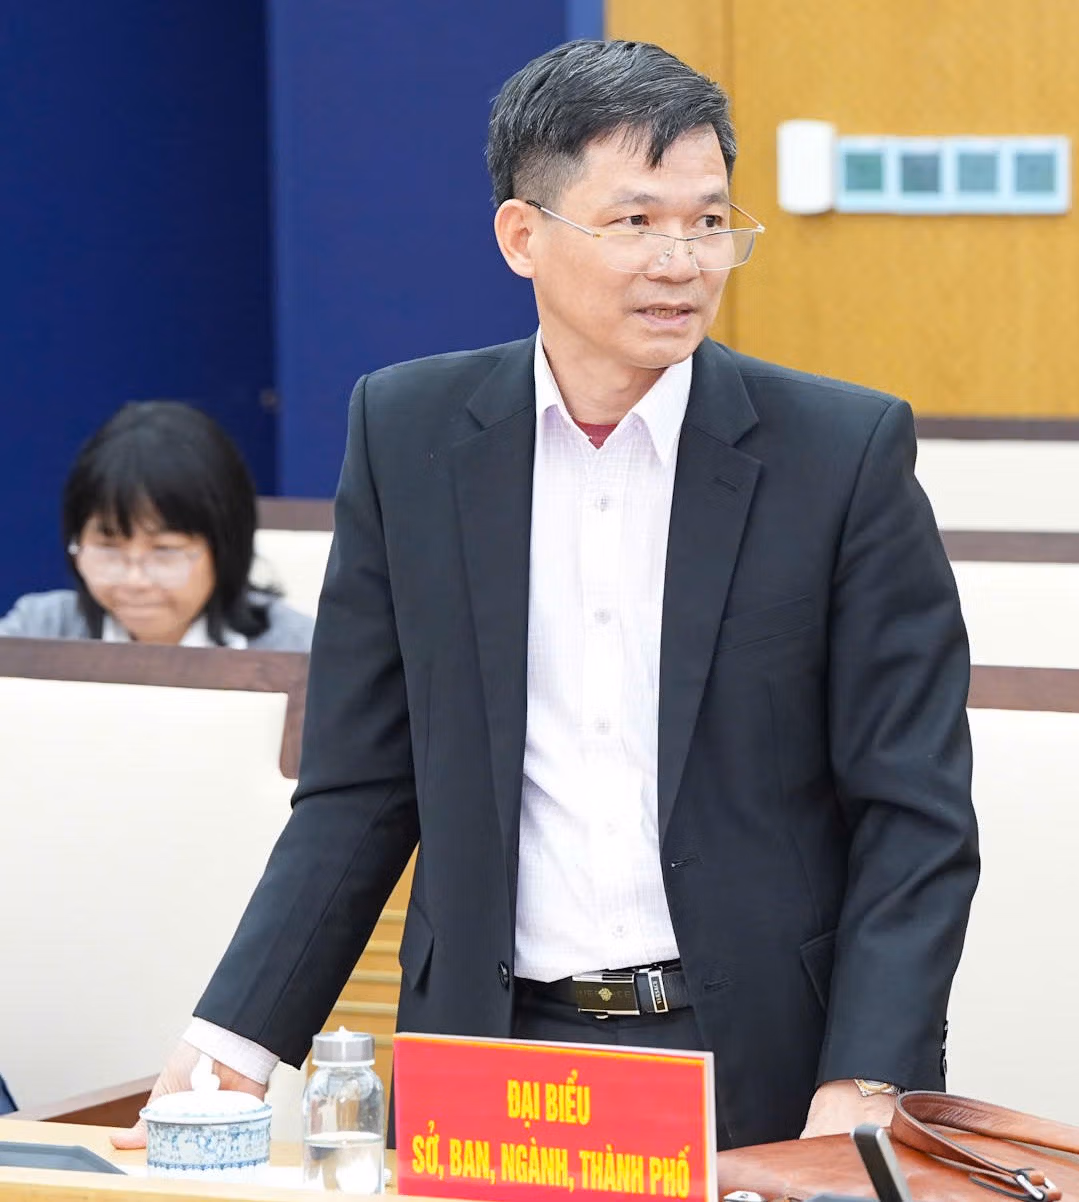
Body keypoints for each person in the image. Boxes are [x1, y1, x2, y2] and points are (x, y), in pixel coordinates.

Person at [118, 39, 976, 1150]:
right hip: (490, 1054)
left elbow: (913, 811)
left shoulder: (839, 454)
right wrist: (230, 1047)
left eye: (709, 221)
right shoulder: (409, 436)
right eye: (636, 221)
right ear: (522, 235)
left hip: (759, 1063)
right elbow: (360, 787)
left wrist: (865, 1077)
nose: (681, 261)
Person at [0, 401, 313, 651]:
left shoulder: (296, 649)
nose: (134, 581)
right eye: (108, 550)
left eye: (165, 551)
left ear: (226, 549)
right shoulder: (39, 630)